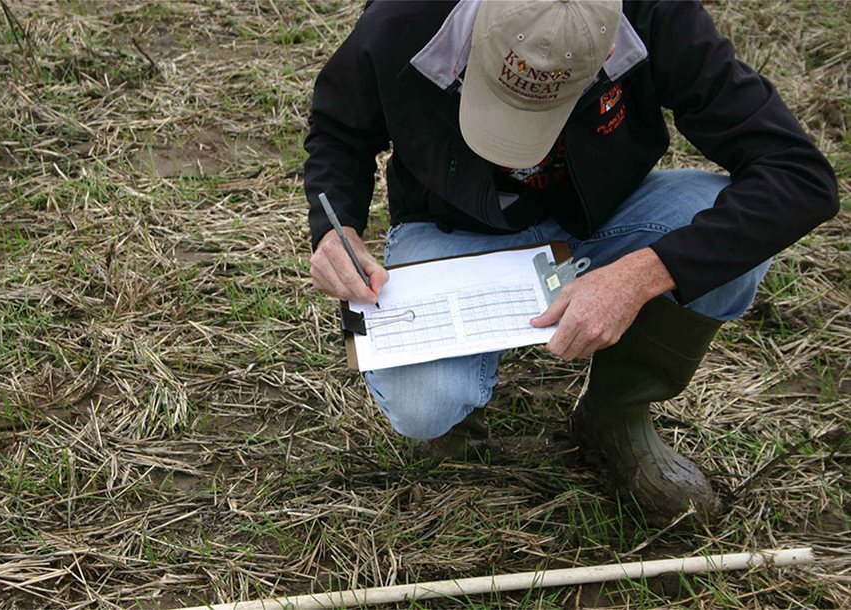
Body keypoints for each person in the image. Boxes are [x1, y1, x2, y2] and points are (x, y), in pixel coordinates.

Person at [303, 0, 838, 522]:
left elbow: (799, 177)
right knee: (425, 403)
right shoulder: (405, 18)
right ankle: (458, 418)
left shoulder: (656, 15)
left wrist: (645, 272)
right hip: (454, 227)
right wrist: (335, 228)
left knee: (735, 238)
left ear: (606, 48)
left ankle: (616, 412)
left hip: (604, 218)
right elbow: (339, 129)